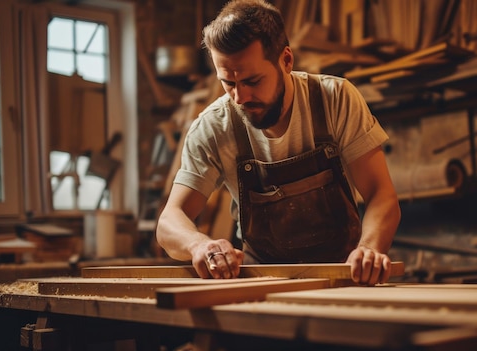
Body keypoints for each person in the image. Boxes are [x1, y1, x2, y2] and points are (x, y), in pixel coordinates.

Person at [156, 0, 401, 286]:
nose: (240, 98)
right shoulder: (213, 127)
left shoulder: (335, 99)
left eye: (253, 81)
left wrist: (369, 250)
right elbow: (170, 220)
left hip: (344, 278)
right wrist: (199, 245)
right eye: (229, 83)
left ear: (286, 60)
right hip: (262, 284)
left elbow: (381, 195)